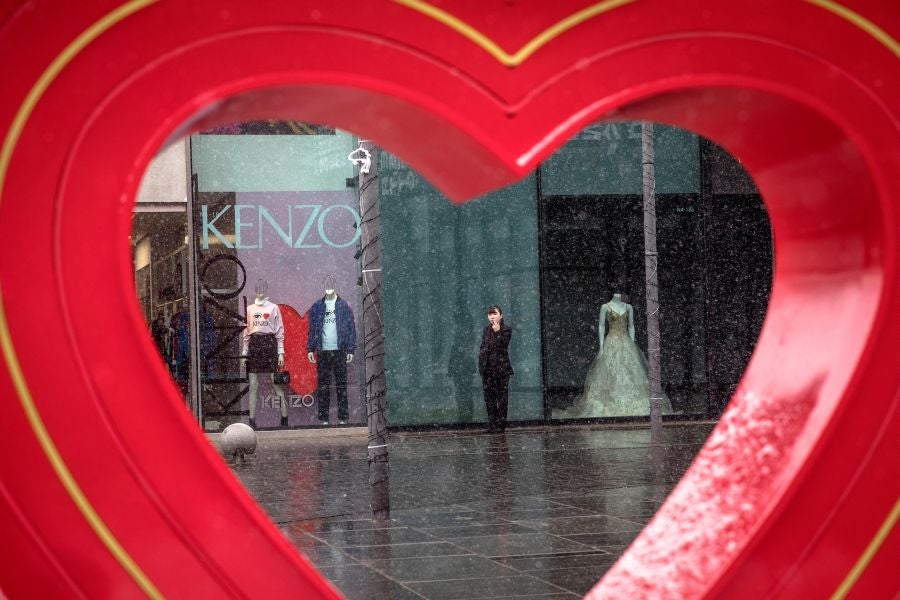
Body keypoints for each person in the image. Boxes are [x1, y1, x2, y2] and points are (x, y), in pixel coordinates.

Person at [307, 274, 356, 425]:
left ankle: (343, 418)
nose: (328, 287)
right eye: (326, 284)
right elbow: (312, 329)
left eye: (331, 284)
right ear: (323, 286)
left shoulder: (343, 306)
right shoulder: (317, 306)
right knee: (323, 386)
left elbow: (351, 328)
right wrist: (310, 348)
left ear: (335, 285)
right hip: (323, 351)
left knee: (341, 385)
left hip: (340, 350)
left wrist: (350, 349)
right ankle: (324, 420)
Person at [478, 305, 514, 433]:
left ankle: (500, 426)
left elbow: (503, 346)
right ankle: (492, 425)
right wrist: (481, 366)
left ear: (501, 315)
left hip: (501, 370)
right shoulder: (486, 330)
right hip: (487, 370)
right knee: (489, 399)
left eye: (495, 313)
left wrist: (498, 332)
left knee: (502, 399)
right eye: (490, 314)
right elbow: (483, 347)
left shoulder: (506, 329)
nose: (492, 316)